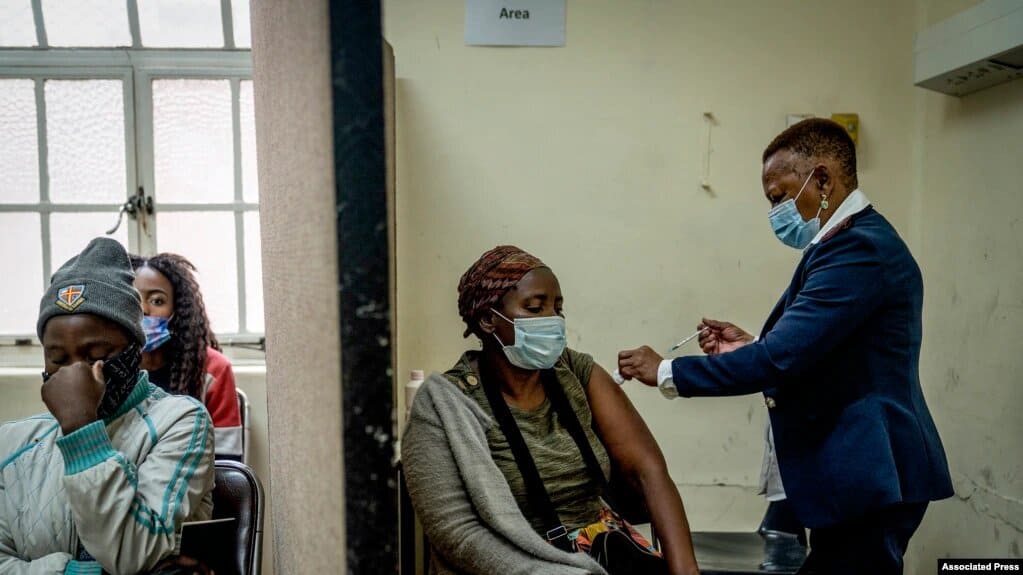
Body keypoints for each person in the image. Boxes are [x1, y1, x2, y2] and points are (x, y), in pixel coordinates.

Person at [618, 119, 953, 575]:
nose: (776, 211)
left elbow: (782, 358)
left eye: (779, 197)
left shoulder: (858, 251)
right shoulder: (843, 245)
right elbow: (818, 350)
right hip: (859, 478)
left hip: (871, 474)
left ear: (822, 179)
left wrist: (666, 371)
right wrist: (751, 346)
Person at [402, 245, 700, 575]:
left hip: (600, 553)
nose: (552, 321)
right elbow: (459, 537)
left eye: (557, 308)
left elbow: (647, 472)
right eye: (534, 308)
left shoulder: (574, 372)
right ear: (488, 319)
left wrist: (686, 572)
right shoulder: (447, 405)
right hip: (513, 564)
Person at [0, 237, 215, 574]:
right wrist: (79, 573)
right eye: (57, 359)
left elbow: (132, 553)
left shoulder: (180, 423)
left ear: (133, 351)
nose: (75, 374)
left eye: (96, 356)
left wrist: (82, 431)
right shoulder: (12, 444)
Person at [130, 253, 243, 461]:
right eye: (134, 299)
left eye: (157, 300)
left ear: (178, 310)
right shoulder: (106, 364)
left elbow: (227, 462)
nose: (144, 309)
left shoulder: (213, 369)